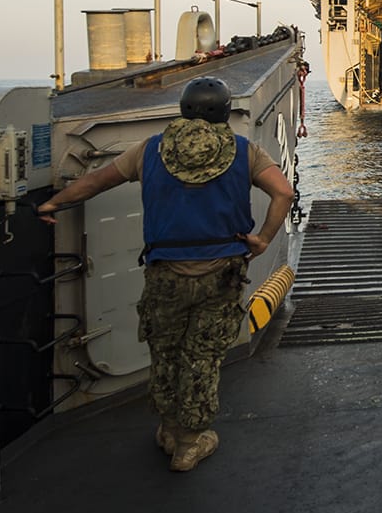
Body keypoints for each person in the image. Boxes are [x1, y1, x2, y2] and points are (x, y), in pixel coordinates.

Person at [37, 77, 294, 472]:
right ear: (225, 112)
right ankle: (190, 443)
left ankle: (169, 430)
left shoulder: (150, 149)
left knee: (165, 352)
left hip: (165, 274)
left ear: (184, 109)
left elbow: (95, 181)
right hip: (221, 274)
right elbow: (284, 193)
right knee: (202, 357)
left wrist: (54, 203)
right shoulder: (244, 151)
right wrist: (262, 239)